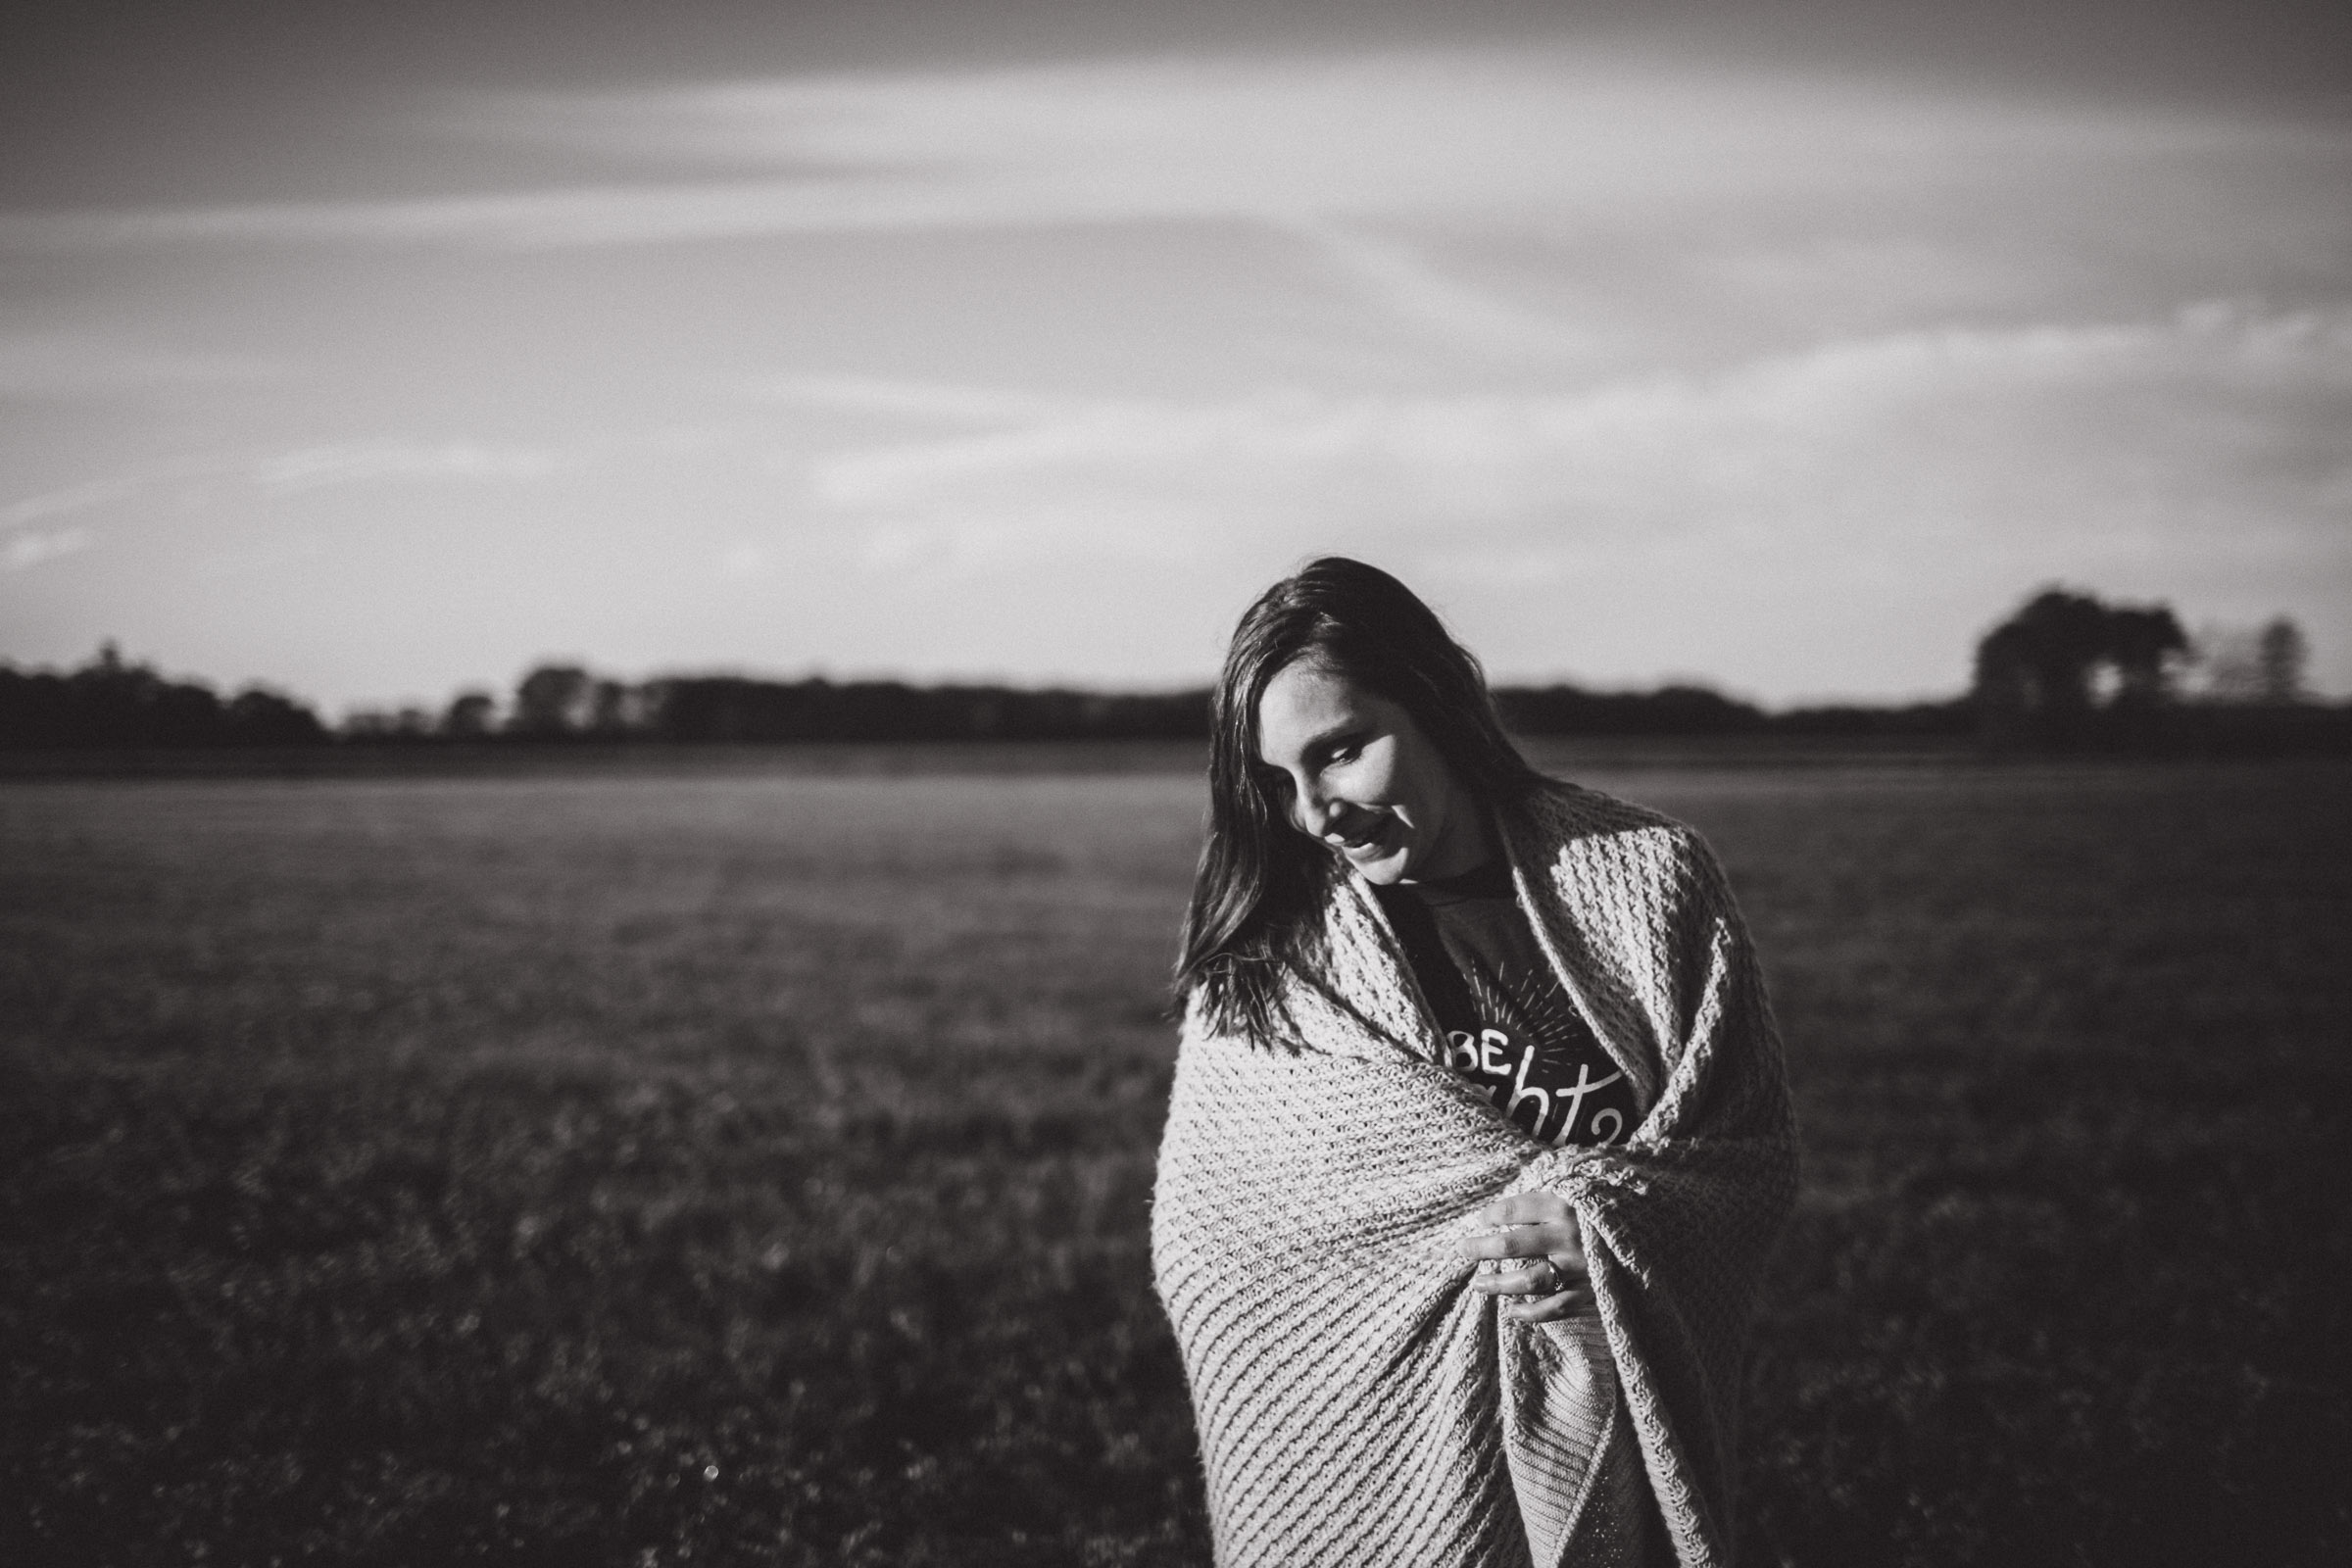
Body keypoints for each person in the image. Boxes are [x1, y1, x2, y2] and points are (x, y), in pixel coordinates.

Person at [1152, 558, 1797, 1568]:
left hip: (1612, 1432)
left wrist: (1607, 1228)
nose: (1317, 813)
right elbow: (1212, 1253)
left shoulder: (1649, 880)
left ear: (1438, 701)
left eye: (1343, 751)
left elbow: (1745, 1157)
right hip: (1368, 1477)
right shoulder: (1274, 964)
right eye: (1280, 781)